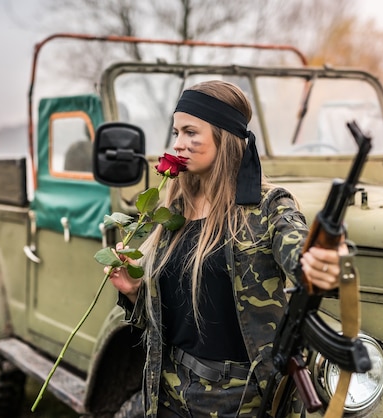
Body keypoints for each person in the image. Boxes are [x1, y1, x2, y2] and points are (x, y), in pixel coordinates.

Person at [106, 80, 345, 418]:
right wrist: (133, 292)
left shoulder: (269, 206)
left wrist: (320, 262)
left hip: (241, 401)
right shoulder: (175, 208)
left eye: (191, 132)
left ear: (224, 136)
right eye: (176, 133)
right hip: (169, 394)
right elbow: (169, 320)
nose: (179, 144)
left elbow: (300, 256)